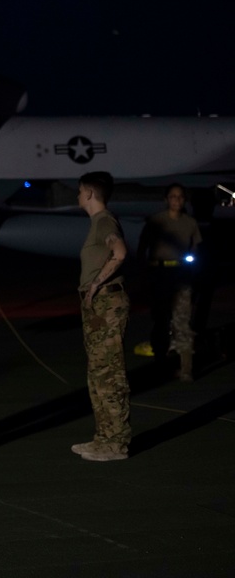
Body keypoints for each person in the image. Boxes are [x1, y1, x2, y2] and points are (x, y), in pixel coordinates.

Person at [71, 171, 131, 462]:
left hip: (107, 301)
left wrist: (96, 283)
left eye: (80, 191)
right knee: (97, 374)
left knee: (109, 374)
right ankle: (103, 438)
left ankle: (116, 443)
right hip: (98, 305)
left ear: (90, 194)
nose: (78, 196)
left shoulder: (105, 221)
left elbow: (119, 252)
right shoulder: (97, 223)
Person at [135, 183, 202, 381]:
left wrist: (193, 270)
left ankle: (186, 368)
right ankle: (160, 363)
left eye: (180, 197)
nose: (177, 200)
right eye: (173, 196)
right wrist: (144, 271)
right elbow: (142, 246)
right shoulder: (156, 221)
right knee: (160, 320)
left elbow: (197, 247)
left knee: (182, 319)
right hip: (159, 273)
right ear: (166, 200)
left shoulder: (190, 223)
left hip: (180, 272)